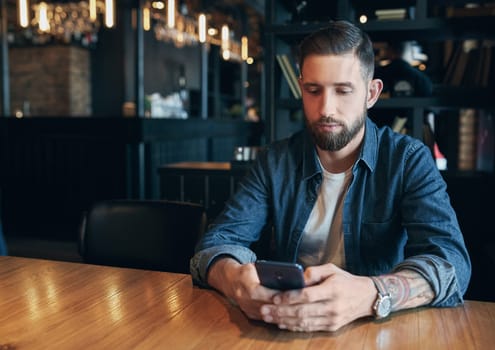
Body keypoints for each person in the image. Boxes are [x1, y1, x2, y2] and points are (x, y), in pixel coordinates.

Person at [190, 20, 471, 332]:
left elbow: (451, 265)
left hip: (373, 330)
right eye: (314, 90)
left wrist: (371, 293)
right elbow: (216, 244)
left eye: (343, 90)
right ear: (301, 88)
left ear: (371, 93)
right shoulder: (275, 160)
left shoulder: (408, 160)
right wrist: (235, 281)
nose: (326, 108)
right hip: (285, 326)